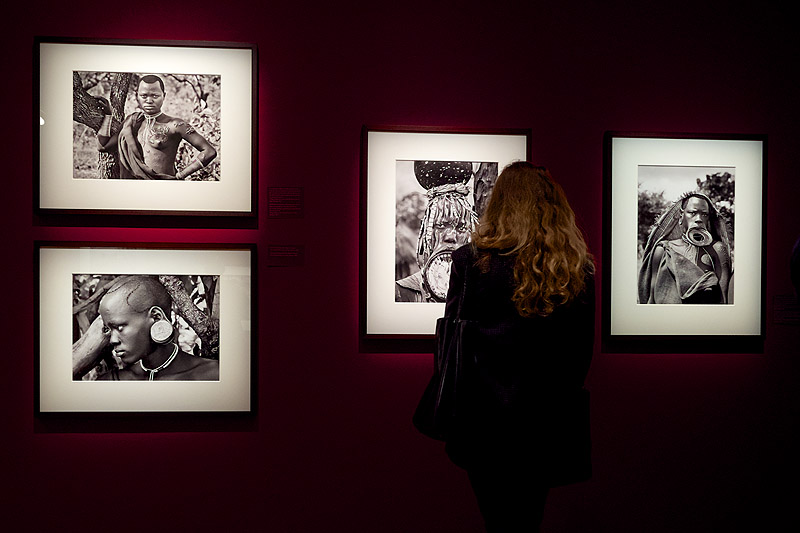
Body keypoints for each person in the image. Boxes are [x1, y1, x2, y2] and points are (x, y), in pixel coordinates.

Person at [441, 162, 595, 531]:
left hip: (481, 421)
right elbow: (580, 357)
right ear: (551, 204)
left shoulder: (470, 261)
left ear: (499, 203)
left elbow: (453, 339)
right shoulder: (575, 268)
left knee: (496, 519)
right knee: (528, 519)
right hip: (544, 421)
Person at [93, 276, 219, 381]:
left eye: (119, 327)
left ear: (157, 317)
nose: (112, 340)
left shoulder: (213, 375)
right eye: (109, 329)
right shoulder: (110, 382)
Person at [96, 74, 217, 180]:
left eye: (155, 96)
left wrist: (181, 175)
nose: (149, 100)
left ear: (163, 96)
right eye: (144, 96)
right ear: (137, 96)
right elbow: (103, 146)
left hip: (163, 188)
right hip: (132, 189)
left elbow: (209, 151)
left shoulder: (175, 125)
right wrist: (107, 116)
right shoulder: (131, 122)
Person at [395, 161, 480, 302]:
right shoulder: (402, 293)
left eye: (462, 228)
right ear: (425, 232)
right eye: (441, 225)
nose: (451, 236)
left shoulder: (482, 294)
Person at [638, 192, 732, 304]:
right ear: (681, 216)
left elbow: (724, 300)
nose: (699, 219)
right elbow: (652, 298)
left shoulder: (717, 250)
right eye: (692, 213)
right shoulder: (663, 250)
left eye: (704, 214)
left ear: (708, 220)